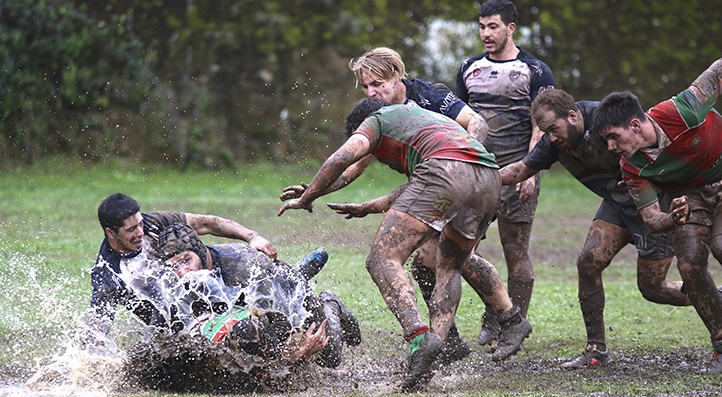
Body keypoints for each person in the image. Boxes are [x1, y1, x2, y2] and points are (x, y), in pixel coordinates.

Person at [282, 46, 526, 361]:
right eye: (366, 87)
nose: (372, 91)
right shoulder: (389, 116)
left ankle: (428, 339)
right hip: (475, 178)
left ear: (397, 75)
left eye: (377, 83)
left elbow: (475, 121)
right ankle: (476, 330)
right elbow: (357, 167)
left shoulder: (422, 99)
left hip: (455, 172)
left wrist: (464, 158)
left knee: (387, 258)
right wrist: (321, 190)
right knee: (444, 261)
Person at [500, 88, 692, 368]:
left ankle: (711, 295)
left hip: (653, 208)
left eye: (554, 129)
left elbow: (654, 143)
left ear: (574, 116)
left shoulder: (605, 121)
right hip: (616, 206)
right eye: (546, 131)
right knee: (588, 262)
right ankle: (596, 350)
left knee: (653, 288)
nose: (552, 137)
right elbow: (519, 171)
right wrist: (485, 176)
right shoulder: (554, 142)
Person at [592, 57, 722, 372]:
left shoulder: (679, 111)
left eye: (614, 137)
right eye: (606, 140)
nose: (611, 146)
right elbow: (651, 218)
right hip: (692, 195)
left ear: (635, 125)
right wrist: (674, 219)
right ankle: (720, 343)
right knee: (690, 263)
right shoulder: (631, 165)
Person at [456, 0, 555, 343]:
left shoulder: (535, 70)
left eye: (493, 26)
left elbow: (541, 126)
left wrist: (529, 171)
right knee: (464, 248)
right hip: (477, 175)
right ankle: (497, 310)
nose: (485, 33)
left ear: (511, 28)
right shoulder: (469, 68)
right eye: (482, 26)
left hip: (518, 173)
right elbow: (459, 121)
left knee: (516, 251)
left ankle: (515, 326)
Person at [155, 222, 362, 369]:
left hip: (287, 293)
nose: (182, 272)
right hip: (249, 302)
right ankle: (299, 271)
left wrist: (299, 352)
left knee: (329, 358)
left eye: (185, 261)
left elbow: (281, 329)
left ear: (201, 254)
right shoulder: (174, 281)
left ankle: (330, 302)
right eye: (173, 266)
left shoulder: (243, 268)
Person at [89, 193, 278, 342]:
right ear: (110, 232)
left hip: (207, 282)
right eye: (131, 230)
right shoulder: (108, 274)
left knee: (263, 280)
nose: (141, 232)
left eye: (140, 224)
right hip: (172, 322)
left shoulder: (152, 223)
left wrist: (252, 236)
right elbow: (98, 330)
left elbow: (206, 223)